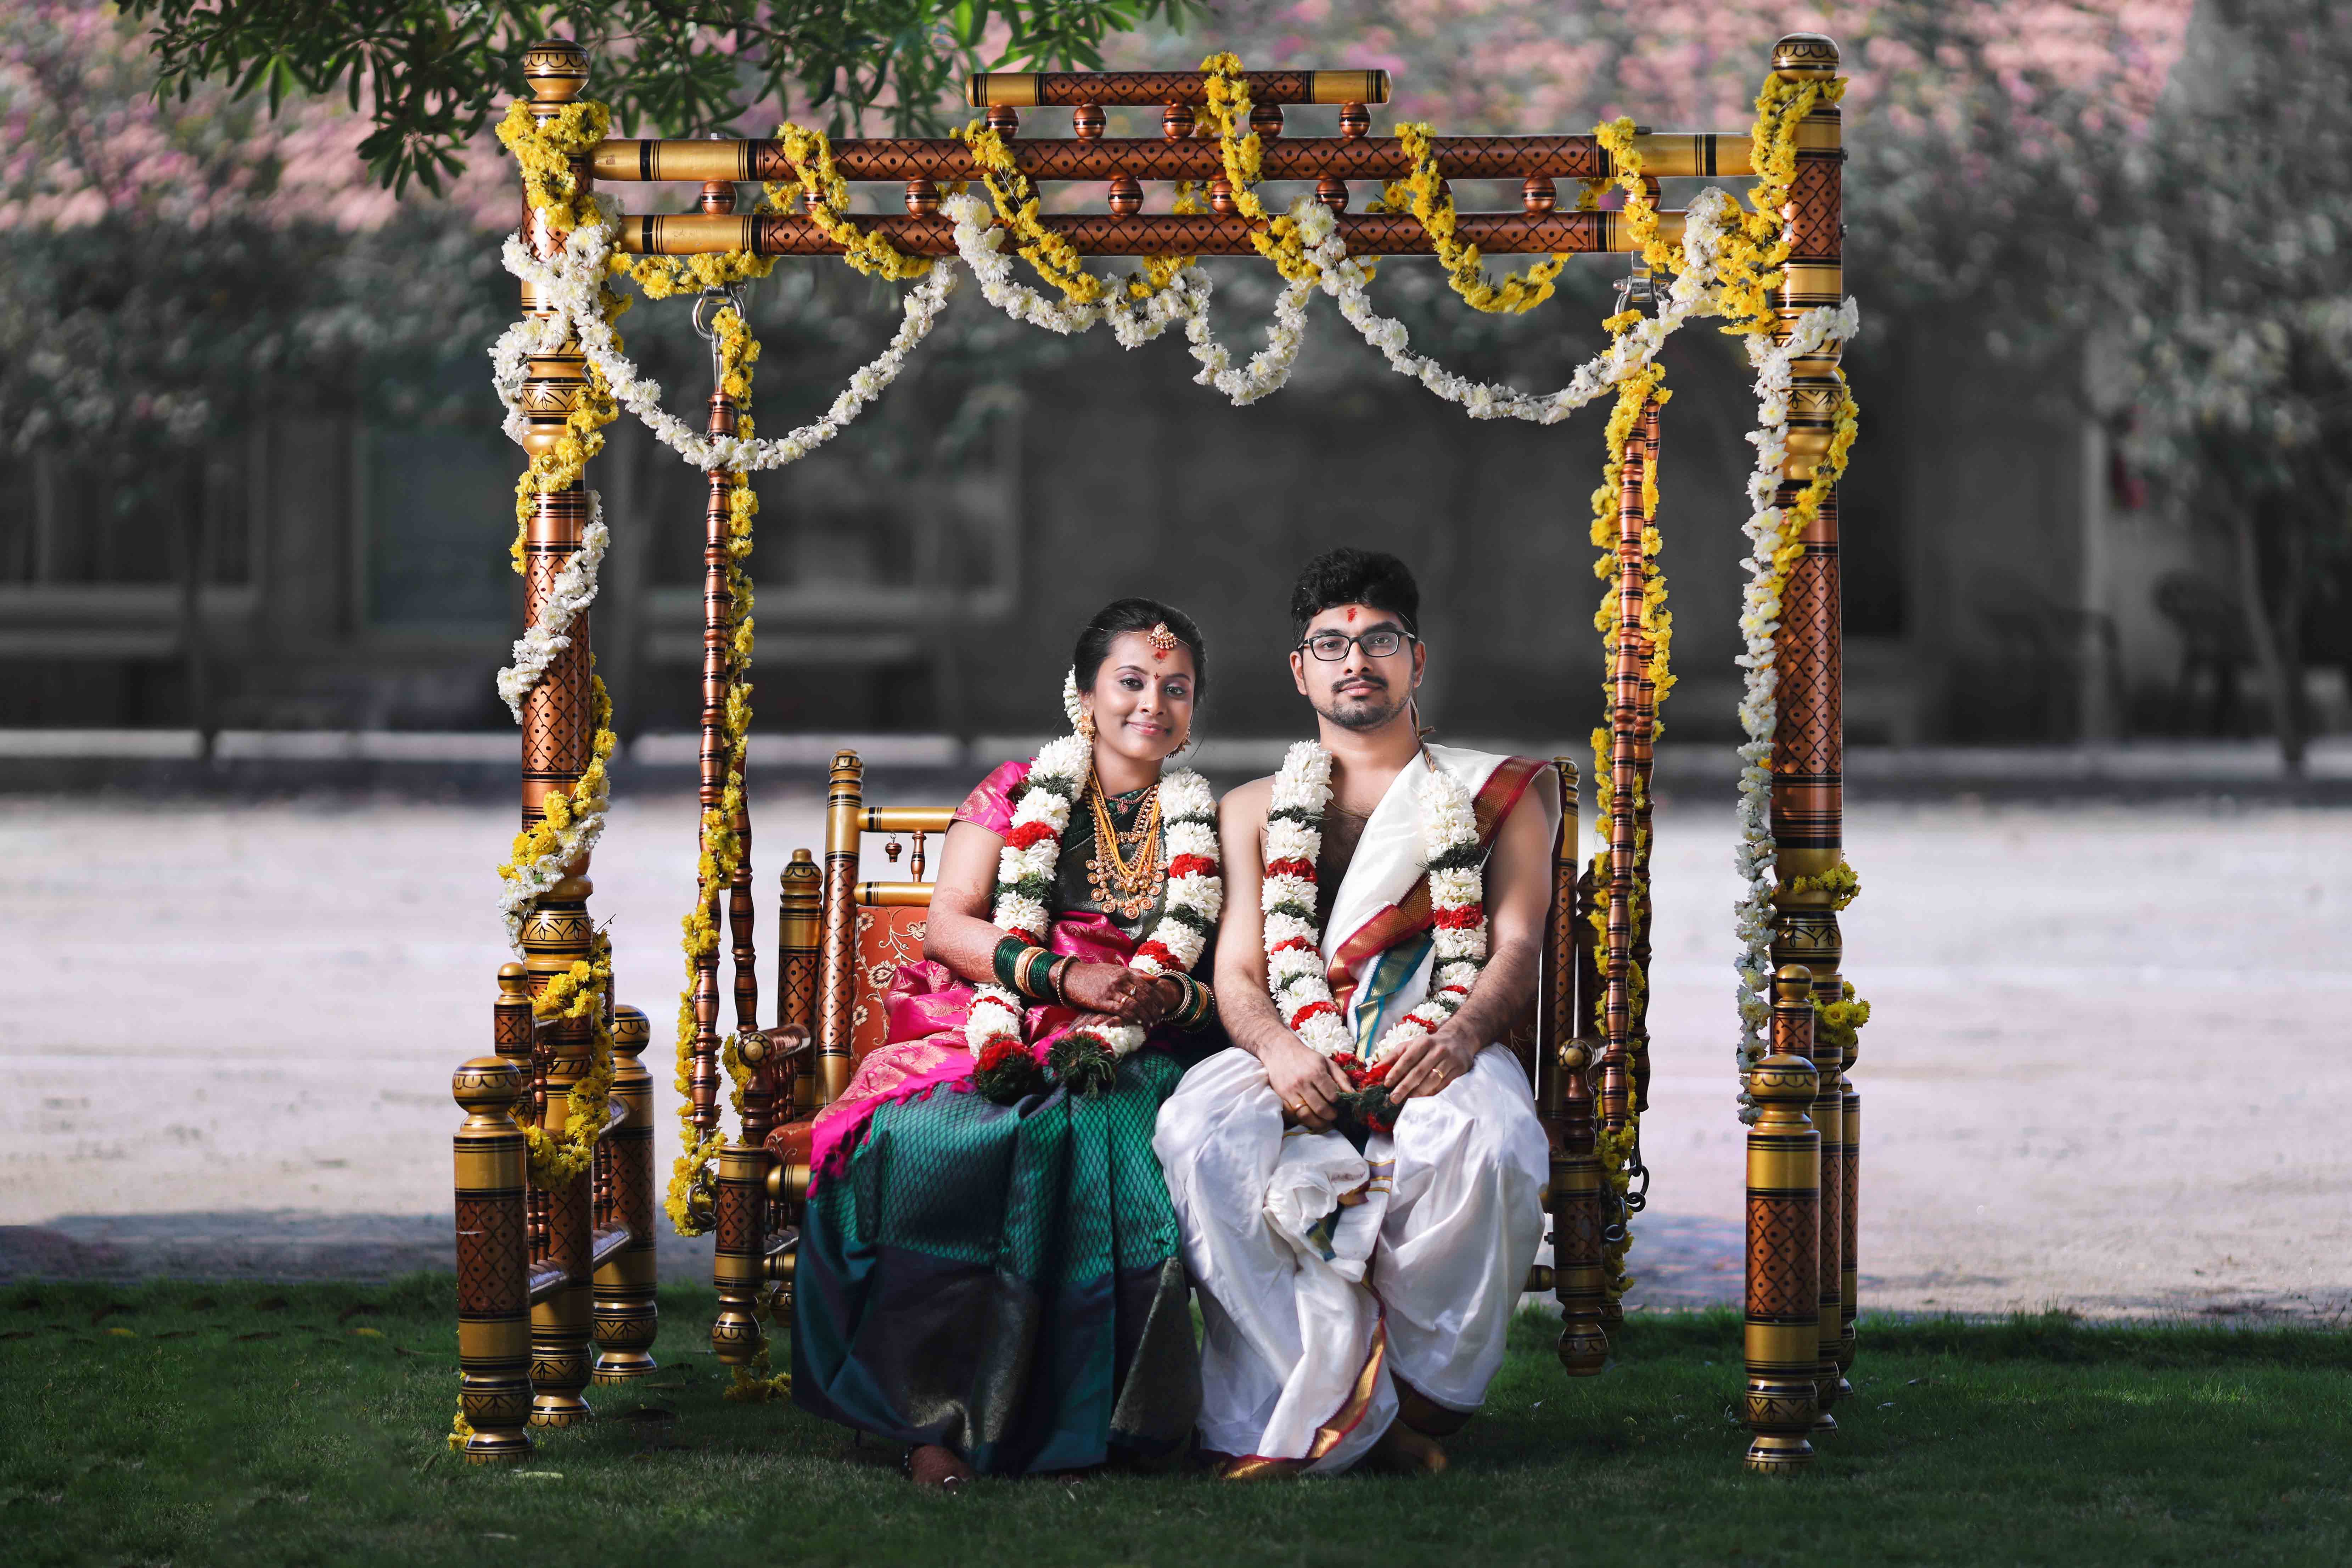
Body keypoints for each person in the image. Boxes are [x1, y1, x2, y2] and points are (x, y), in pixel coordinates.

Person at [792, 599, 1225, 1490]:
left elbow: (1221, 966)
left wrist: (1156, 992)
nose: (1153, 703)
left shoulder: (1208, 819)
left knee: (1096, 1131)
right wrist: (1062, 981)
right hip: (1001, 1004)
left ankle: (1097, 1421)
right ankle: (931, 1421)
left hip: (1138, 1031)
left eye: (1175, 688)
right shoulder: (1017, 787)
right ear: (1085, 694)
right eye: (1132, 681)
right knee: (933, 1139)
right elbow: (949, 925)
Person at [1153, 548, 1557, 1478]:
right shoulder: (1253, 809)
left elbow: (1515, 947)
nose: (1355, 660)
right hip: (1293, 1050)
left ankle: (1416, 1401)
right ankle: (1303, 1406)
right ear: (1300, 670)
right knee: (1198, 1130)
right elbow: (1241, 973)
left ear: (1416, 658)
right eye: (1330, 643)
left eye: (1378, 639)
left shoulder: (1497, 794)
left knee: (1489, 1143)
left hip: (1440, 1042)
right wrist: (1277, 1052)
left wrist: (1458, 1037)